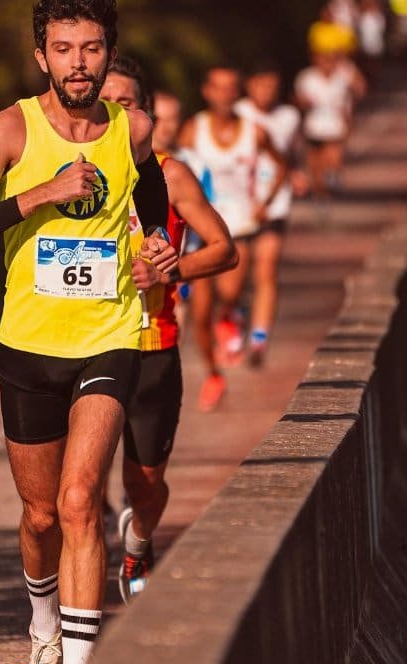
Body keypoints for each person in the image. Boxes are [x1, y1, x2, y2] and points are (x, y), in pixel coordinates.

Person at [0, 2, 177, 664]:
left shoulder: (132, 130)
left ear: (108, 53)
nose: (78, 63)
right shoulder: (11, 128)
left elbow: (151, 206)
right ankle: (42, 617)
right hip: (30, 345)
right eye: (64, 49)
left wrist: (156, 249)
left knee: (78, 501)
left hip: (110, 333)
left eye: (92, 49)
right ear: (42, 56)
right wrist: (41, 191)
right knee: (40, 515)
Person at [98, 56, 238, 603]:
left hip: (152, 346)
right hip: (83, 347)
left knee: (145, 486)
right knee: (76, 491)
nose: (113, 112)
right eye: (103, 102)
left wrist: (170, 268)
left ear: (148, 115)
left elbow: (226, 249)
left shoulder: (169, 173)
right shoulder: (68, 173)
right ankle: (68, 619)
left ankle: (137, 541)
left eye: (126, 103)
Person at [178, 65, 288, 410]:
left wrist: (265, 202)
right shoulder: (194, 129)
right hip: (200, 227)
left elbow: (281, 166)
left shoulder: (253, 132)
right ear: (206, 91)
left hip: (238, 225)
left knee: (229, 291)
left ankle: (232, 313)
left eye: (231, 88)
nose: (224, 95)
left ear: (237, 92)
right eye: (218, 88)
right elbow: (172, 166)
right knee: (200, 309)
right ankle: (213, 375)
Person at [233, 65, 310, 367]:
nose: (266, 92)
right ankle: (235, 315)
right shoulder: (238, 113)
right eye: (260, 85)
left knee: (266, 269)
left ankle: (259, 337)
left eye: (272, 86)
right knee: (235, 277)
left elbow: (293, 152)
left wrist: (298, 172)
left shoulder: (289, 116)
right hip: (239, 204)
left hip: (275, 202)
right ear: (249, 85)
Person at [295, 33, 367, 217]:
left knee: (332, 161)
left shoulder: (343, 75)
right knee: (315, 171)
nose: (326, 62)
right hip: (313, 129)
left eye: (330, 58)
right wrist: (303, 103)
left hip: (335, 129)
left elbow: (360, 89)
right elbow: (297, 102)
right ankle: (321, 198)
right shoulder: (306, 78)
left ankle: (333, 177)